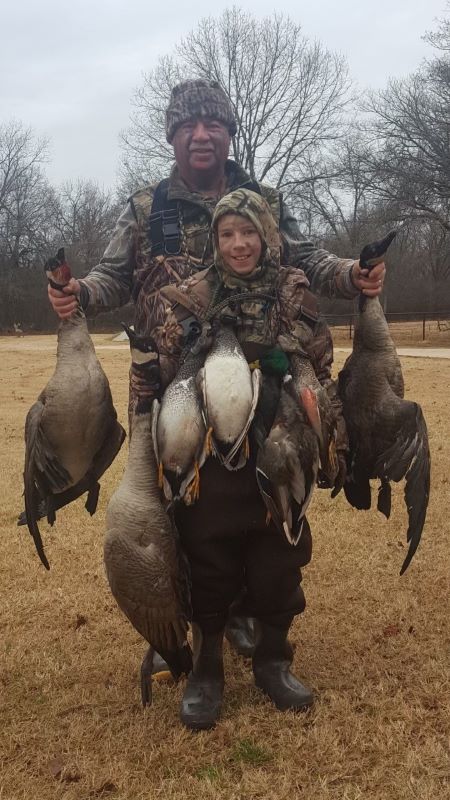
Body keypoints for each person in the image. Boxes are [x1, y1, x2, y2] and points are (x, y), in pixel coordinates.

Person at [47, 79, 385, 662]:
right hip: (168, 379)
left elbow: (306, 257)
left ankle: (253, 612)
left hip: (257, 379)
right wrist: (77, 292)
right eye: (188, 127)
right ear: (173, 136)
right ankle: (188, 618)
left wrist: (350, 273)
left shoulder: (264, 199)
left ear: (228, 133)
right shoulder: (145, 209)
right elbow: (111, 279)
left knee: (260, 487)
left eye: (213, 126)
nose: (201, 136)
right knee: (176, 504)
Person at [147, 187, 346, 728]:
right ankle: (207, 669)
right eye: (227, 234)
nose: (239, 244)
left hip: (282, 449)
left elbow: (322, 370)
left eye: (249, 232)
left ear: (267, 236)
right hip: (211, 463)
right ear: (214, 240)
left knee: (280, 559)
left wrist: (333, 439)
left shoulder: (293, 293)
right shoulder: (188, 296)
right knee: (207, 557)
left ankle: (274, 660)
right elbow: (161, 381)